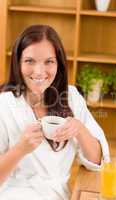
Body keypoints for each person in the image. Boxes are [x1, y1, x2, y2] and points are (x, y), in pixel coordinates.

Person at [0, 24, 110, 200]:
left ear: (59, 64)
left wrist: (79, 129)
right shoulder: (4, 104)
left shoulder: (71, 97)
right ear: (18, 62)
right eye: (30, 61)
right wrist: (20, 149)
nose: (39, 71)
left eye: (49, 61)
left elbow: (98, 161)